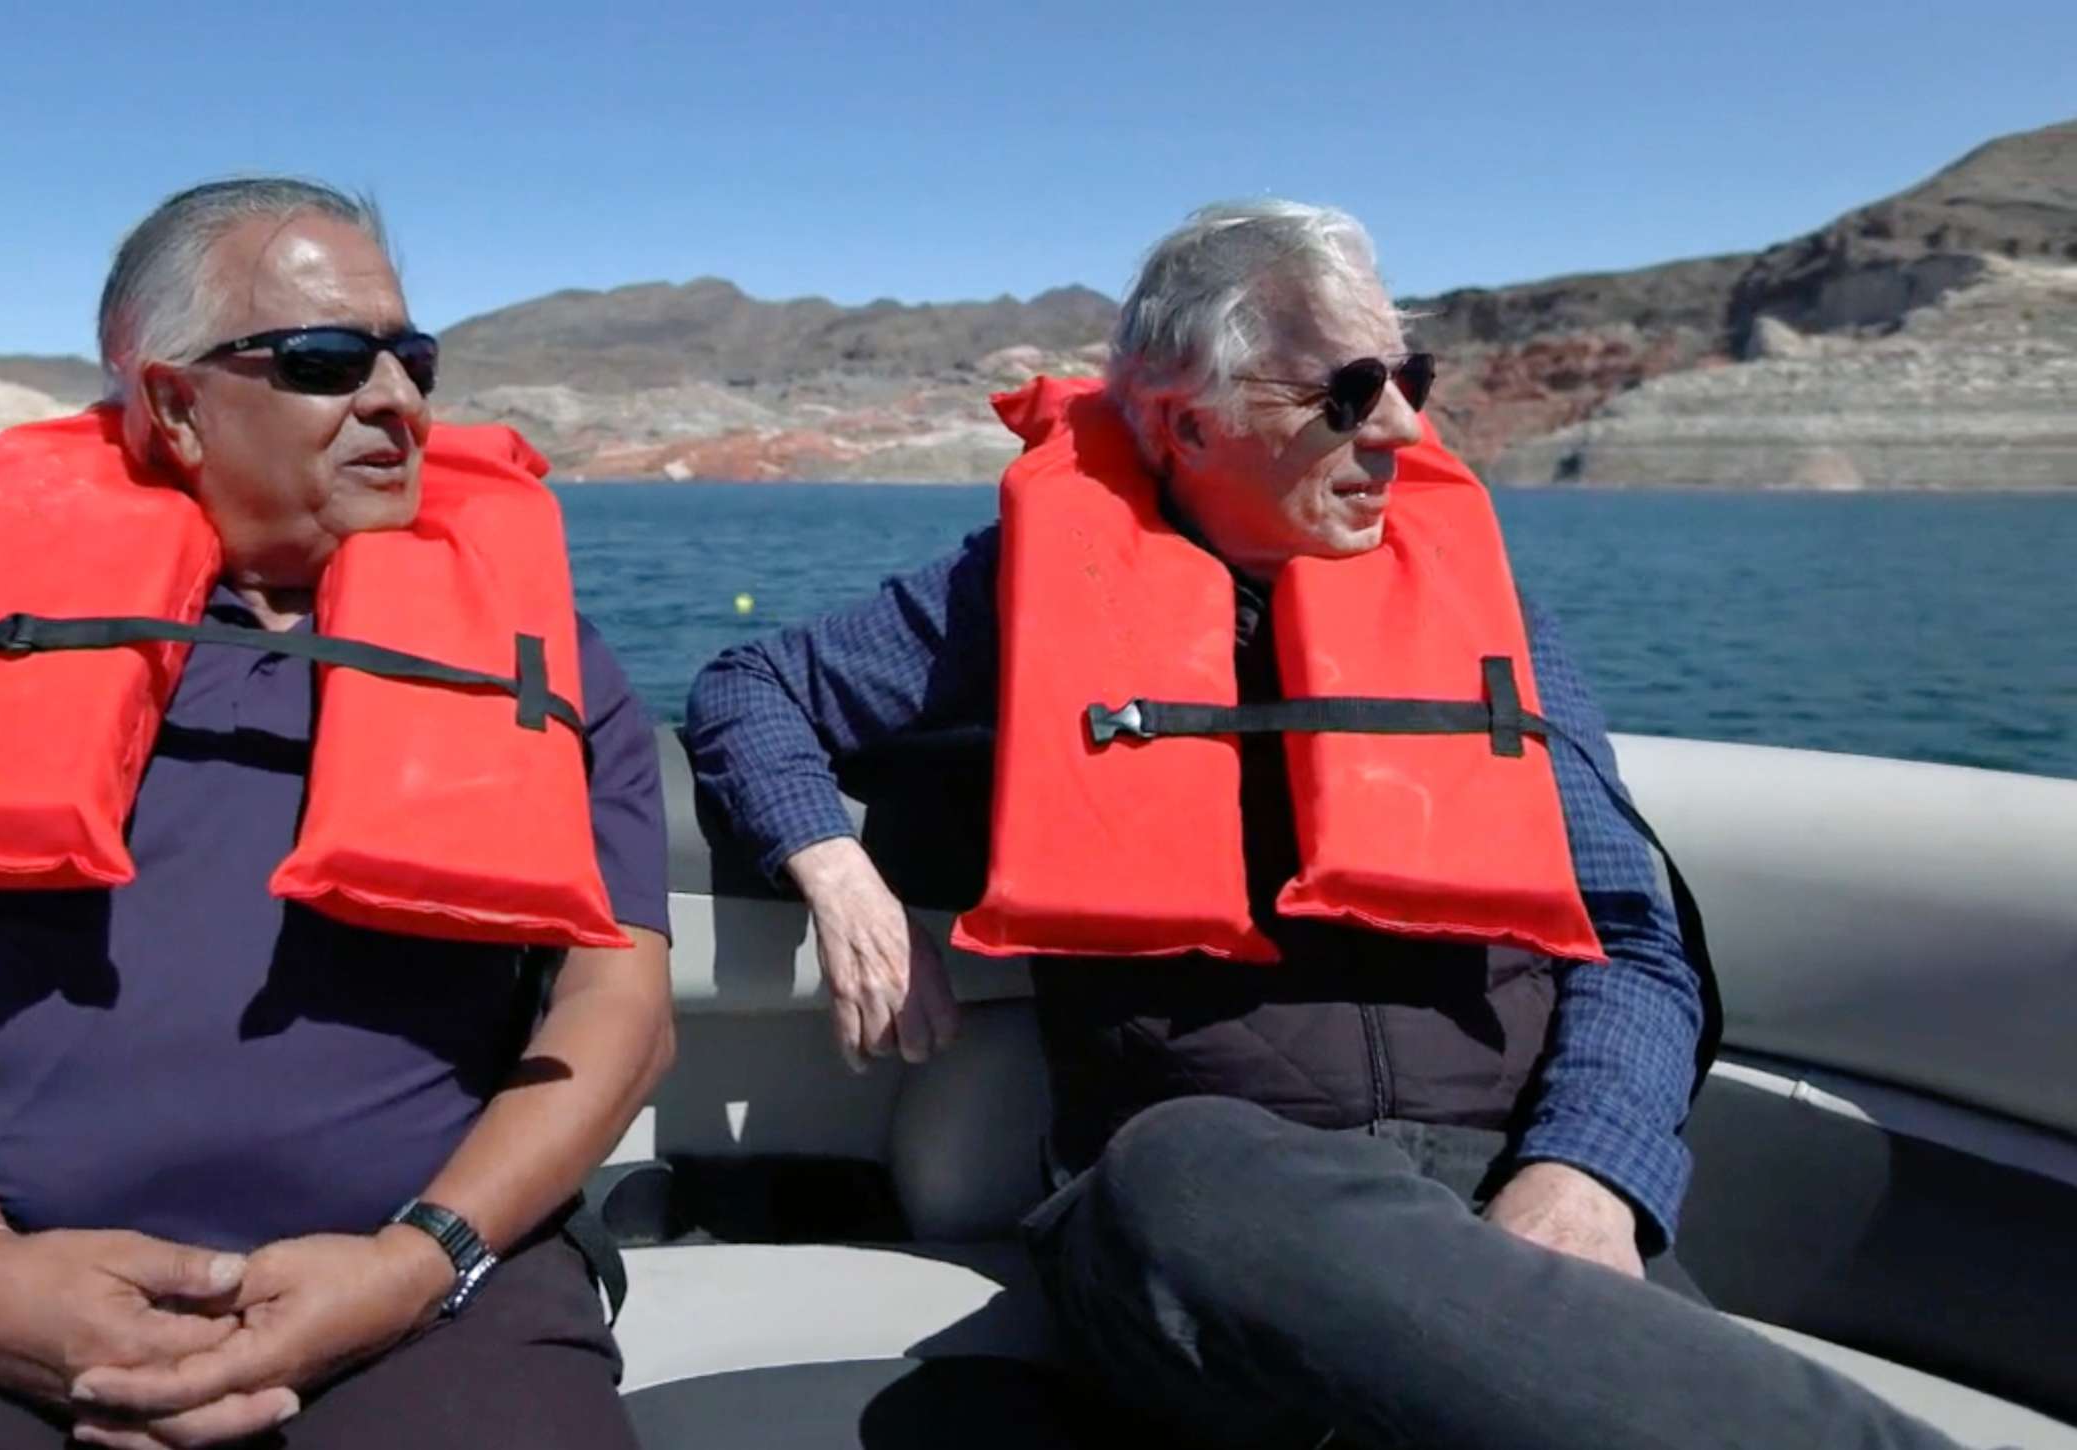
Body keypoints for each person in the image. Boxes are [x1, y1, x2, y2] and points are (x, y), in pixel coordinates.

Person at [684, 201, 1963, 1448]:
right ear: (1189, 422)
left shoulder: (1485, 619)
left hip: (1500, 1196)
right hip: (1199, 1219)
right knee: (1185, 1166)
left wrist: (1588, 1171)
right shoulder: (1018, 589)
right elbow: (753, 691)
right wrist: (833, 865)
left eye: (1409, 375)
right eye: (1346, 392)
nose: (1402, 426)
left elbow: (1629, 931)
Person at [0, 179, 673, 1450]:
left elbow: (615, 1009)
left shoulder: (542, 666)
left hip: (430, 1296)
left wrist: (419, 1260)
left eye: (413, 360)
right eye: (325, 360)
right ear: (175, 402)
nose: (400, 402)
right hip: (8, 1298)